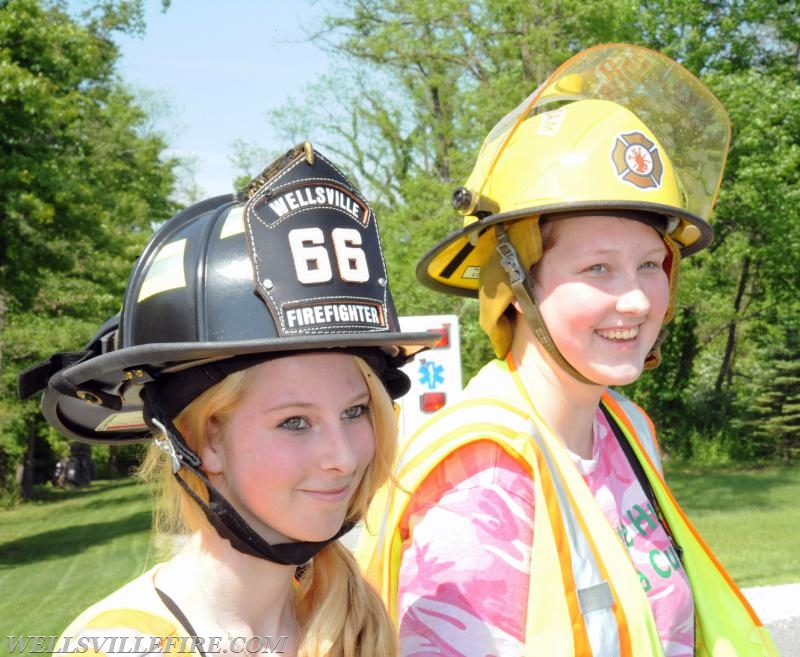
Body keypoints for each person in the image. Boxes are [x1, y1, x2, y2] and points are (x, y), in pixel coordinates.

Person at [357, 44, 780, 656]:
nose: (637, 301)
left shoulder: (626, 429)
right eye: (599, 268)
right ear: (516, 282)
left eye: (649, 265)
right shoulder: (484, 480)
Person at [18, 142, 439, 657]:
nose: (345, 457)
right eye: (294, 422)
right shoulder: (125, 646)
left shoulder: (354, 625)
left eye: (354, 412)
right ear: (206, 439)